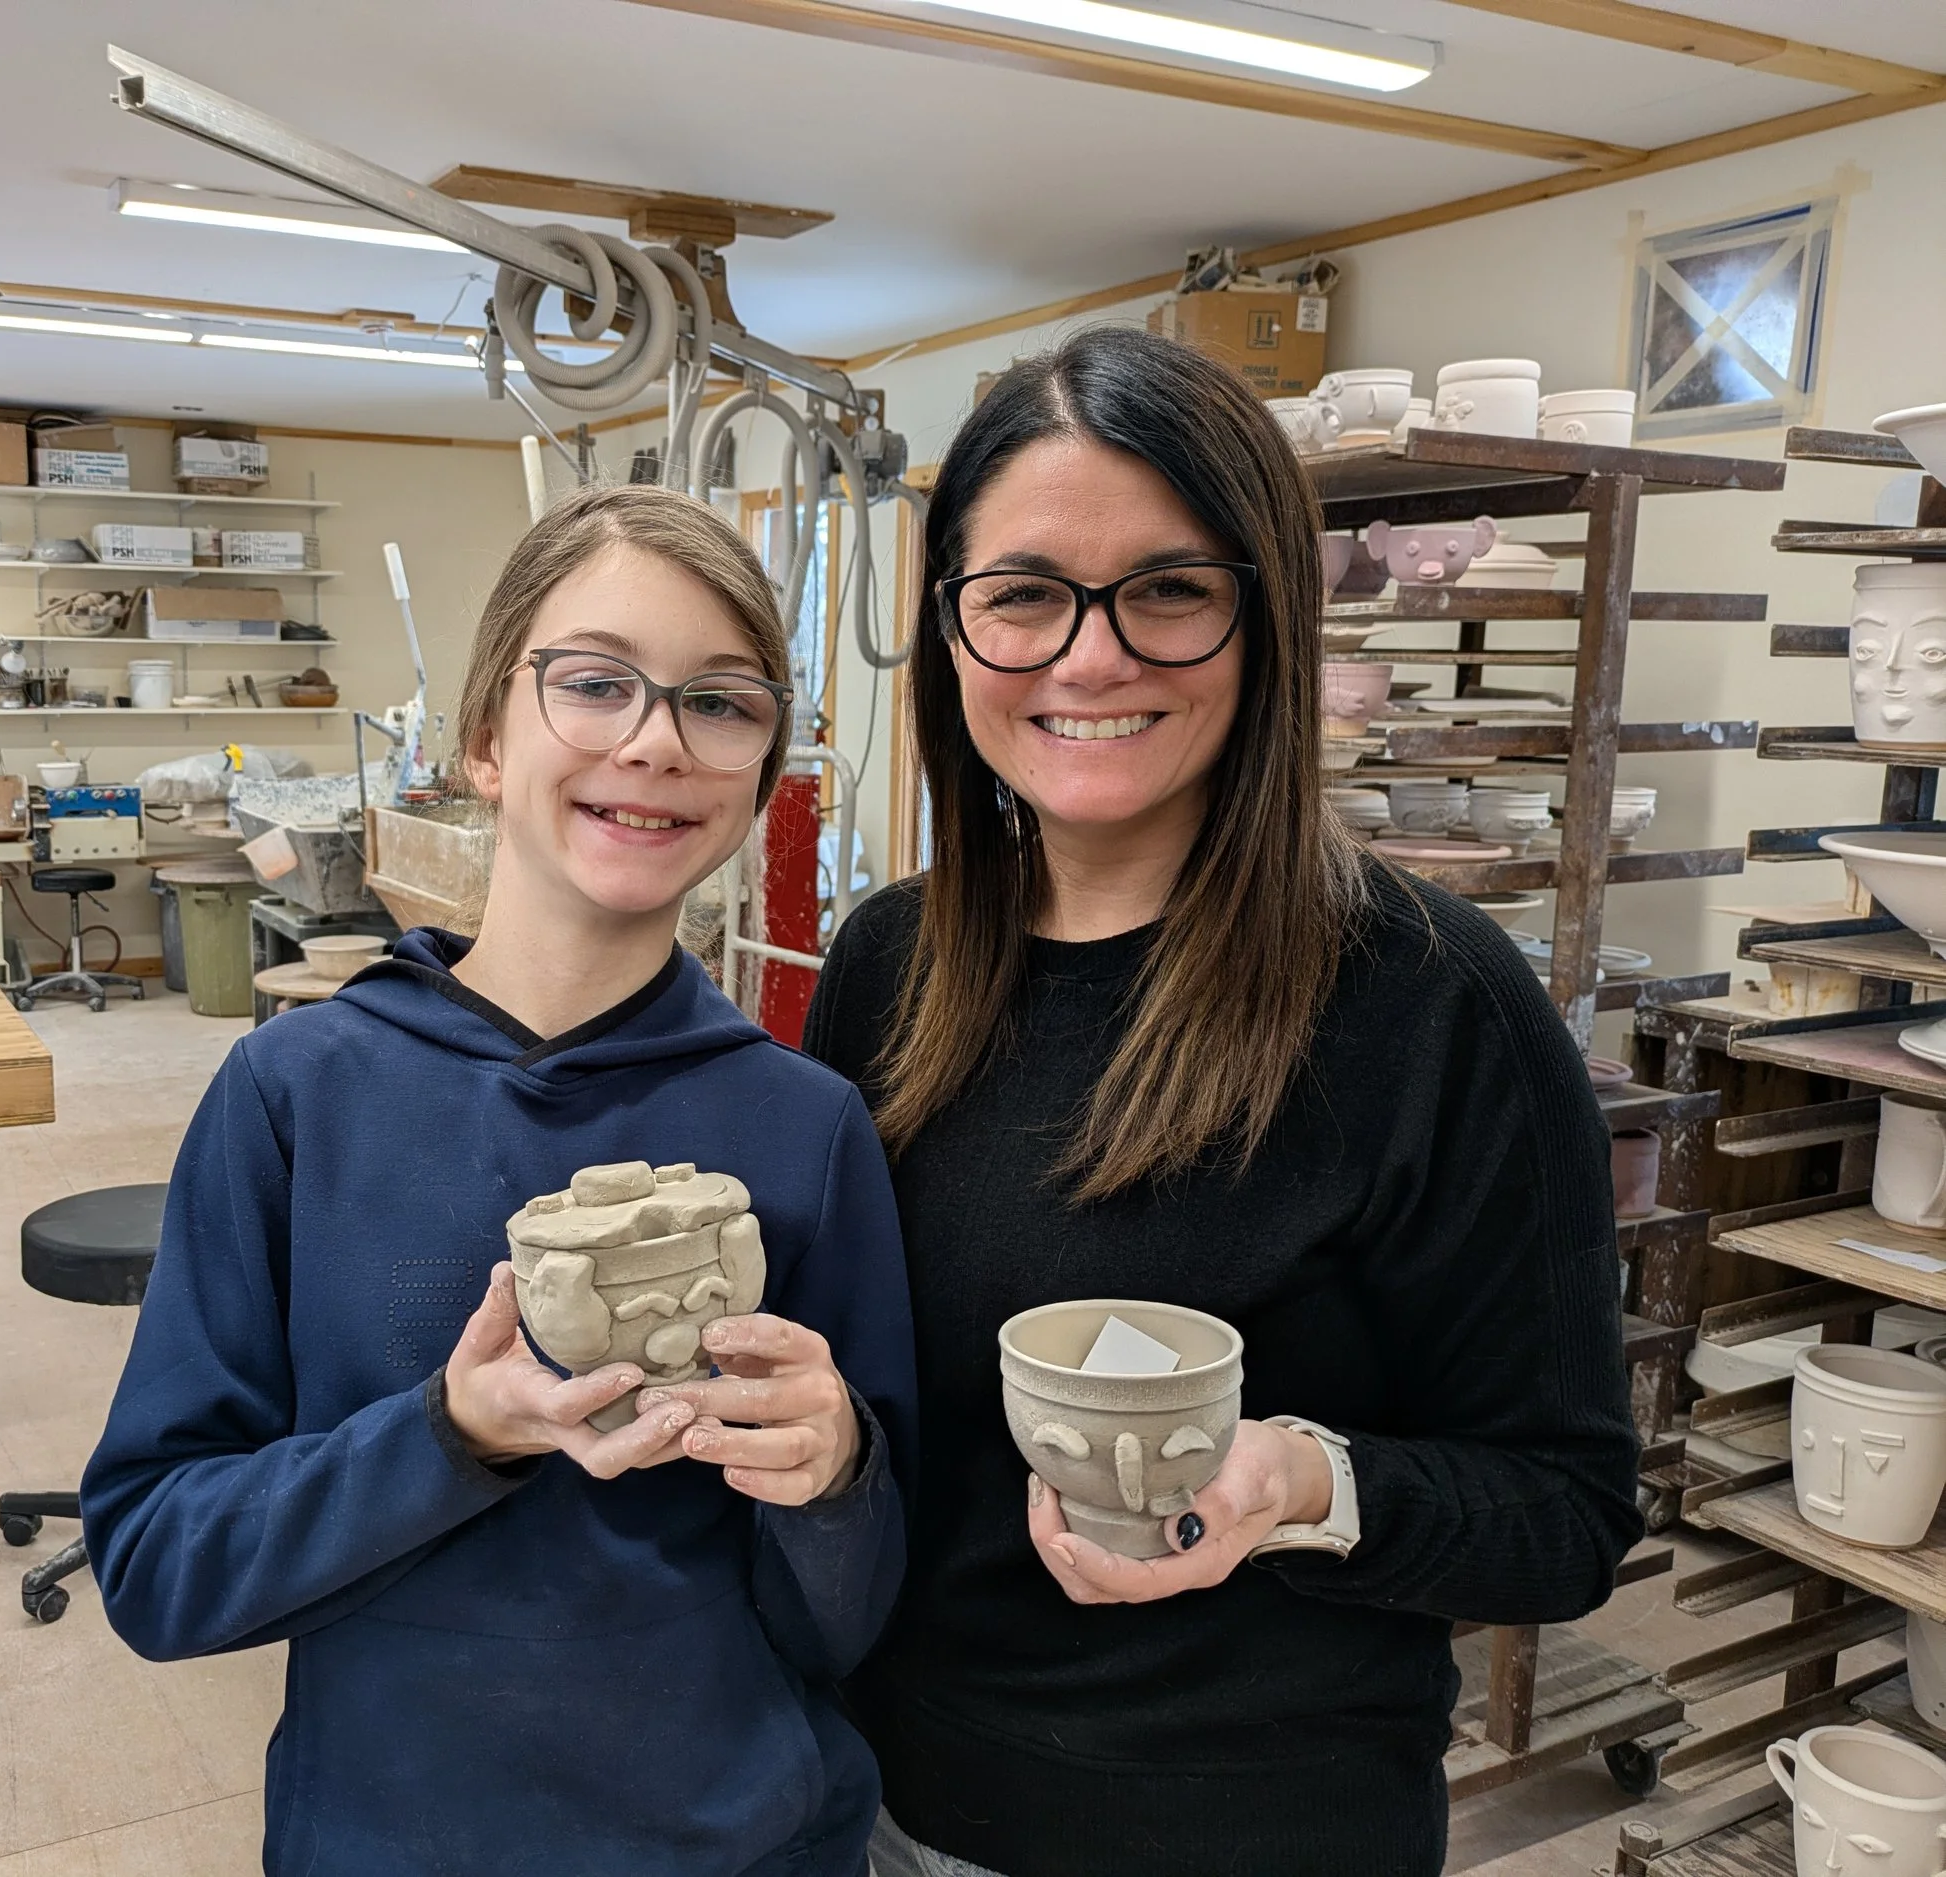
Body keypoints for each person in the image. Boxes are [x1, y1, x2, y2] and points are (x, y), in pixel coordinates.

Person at [803, 326, 1640, 1877]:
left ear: (1271, 624)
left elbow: (1568, 1512)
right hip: (898, 1797)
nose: (1089, 657)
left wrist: (1301, 1483)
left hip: (1247, 1828)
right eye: (1024, 595)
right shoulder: (887, 964)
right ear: (953, 630)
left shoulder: (1429, 1005)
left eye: (1171, 592)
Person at [82, 483, 916, 1877]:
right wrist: (449, 1434)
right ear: (482, 737)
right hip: (387, 1837)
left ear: (761, 770)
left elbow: (858, 1619)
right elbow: (162, 1569)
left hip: (740, 1844)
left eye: (721, 704)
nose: (656, 742)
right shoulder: (297, 1098)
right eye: (595, 684)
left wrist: (834, 1478)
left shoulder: (808, 1126)